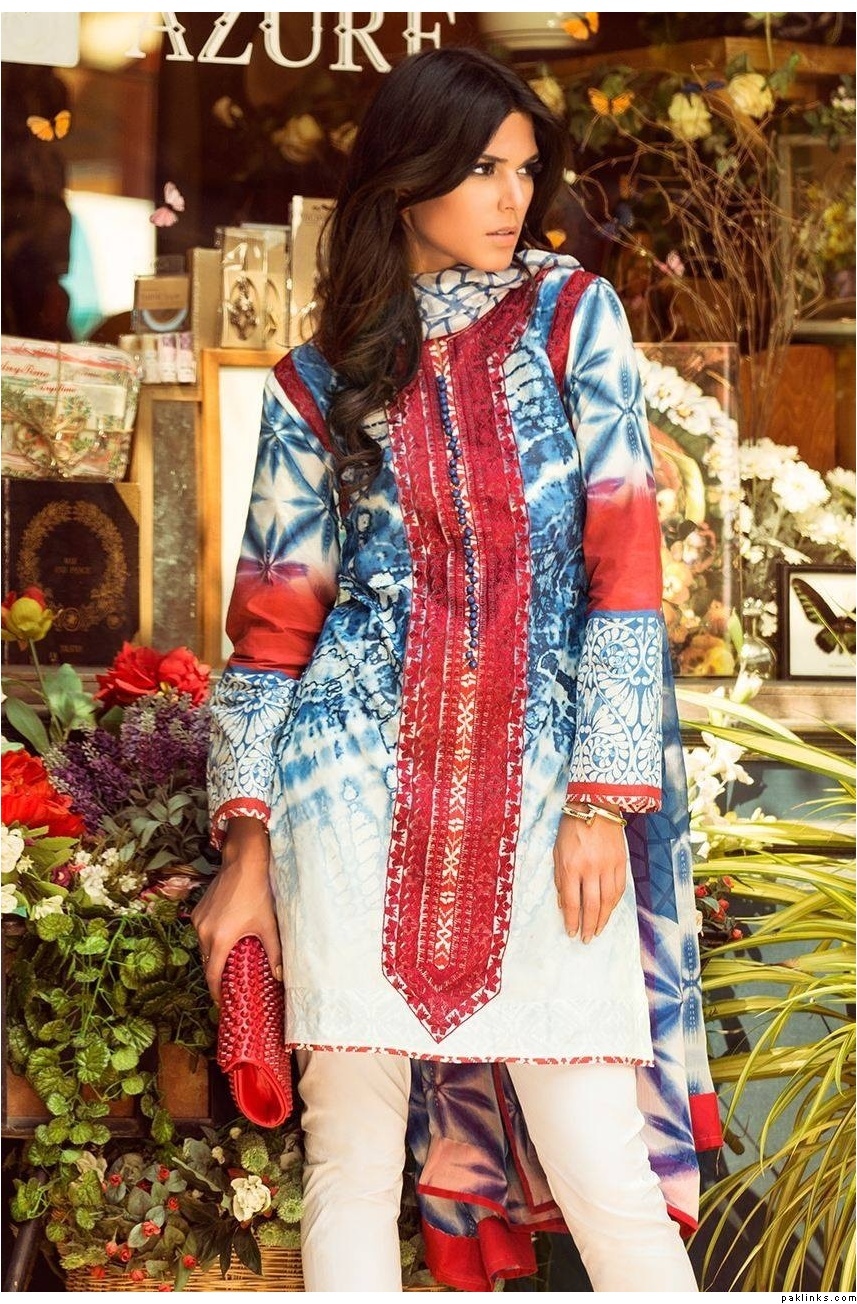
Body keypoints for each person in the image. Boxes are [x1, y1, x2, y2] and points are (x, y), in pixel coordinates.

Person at [192, 46, 722, 1294]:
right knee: (348, 1159)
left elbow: (623, 566)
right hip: (347, 801)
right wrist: (248, 854)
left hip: (545, 796)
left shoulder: (571, 315)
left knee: (602, 1168)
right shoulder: (315, 379)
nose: (511, 199)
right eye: (482, 169)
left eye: (524, 172)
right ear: (406, 175)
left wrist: (600, 800)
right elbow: (272, 630)